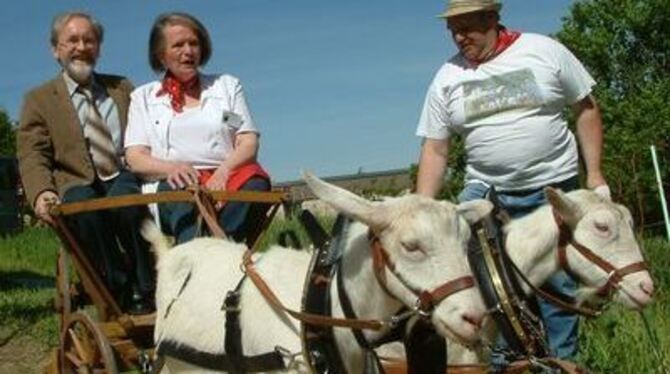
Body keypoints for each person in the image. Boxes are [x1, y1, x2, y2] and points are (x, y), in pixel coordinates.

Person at [415, 0, 611, 361]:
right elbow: (436, 148)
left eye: (467, 27)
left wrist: (594, 173)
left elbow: (586, 108)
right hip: (486, 189)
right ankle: (503, 361)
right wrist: (421, 206)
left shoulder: (543, 51)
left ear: (492, 19)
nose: (459, 37)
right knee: (471, 270)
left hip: (551, 185)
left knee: (556, 279)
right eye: (452, 30)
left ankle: (561, 362)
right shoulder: (448, 76)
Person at [17, 12, 154, 314]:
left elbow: (147, 132)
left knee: (128, 205)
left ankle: (146, 289)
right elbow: (33, 153)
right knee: (84, 210)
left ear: (99, 48)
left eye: (89, 40)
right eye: (72, 40)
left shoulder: (122, 88)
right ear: (56, 49)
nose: (82, 46)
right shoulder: (38, 99)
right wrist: (41, 193)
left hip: (120, 174)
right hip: (74, 181)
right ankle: (115, 287)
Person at [125, 12, 270, 245]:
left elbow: (247, 140)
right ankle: (198, 259)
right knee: (186, 197)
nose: (188, 51)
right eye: (178, 45)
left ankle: (220, 252)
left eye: (193, 43)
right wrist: (172, 168)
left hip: (225, 174)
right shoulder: (144, 98)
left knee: (256, 185)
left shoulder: (224, 88)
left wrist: (224, 171)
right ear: (161, 56)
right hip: (174, 181)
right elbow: (135, 157)